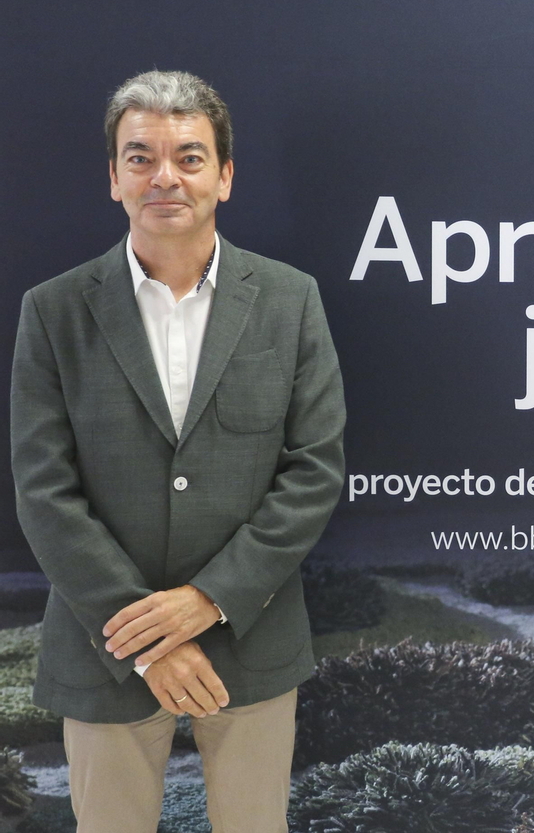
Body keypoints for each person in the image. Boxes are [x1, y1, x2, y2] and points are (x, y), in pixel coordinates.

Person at [11, 70, 344, 833]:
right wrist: (142, 640)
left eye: (190, 157)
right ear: (114, 178)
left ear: (225, 176)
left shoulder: (292, 301)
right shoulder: (53, 310)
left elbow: (313, 470)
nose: (166, 176)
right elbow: (43, 490)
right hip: (106, 648)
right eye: (141, 157)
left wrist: (206, 601)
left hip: (250, 637)